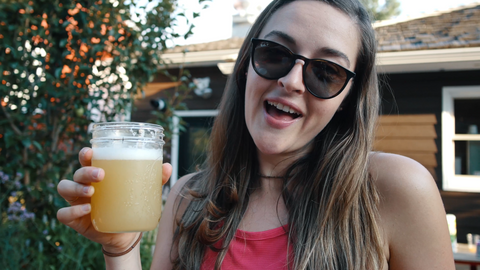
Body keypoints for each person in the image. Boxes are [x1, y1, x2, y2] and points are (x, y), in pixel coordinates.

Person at [57, 0, 456, 269]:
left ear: (347, 100)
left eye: (326, 72)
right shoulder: (188, 199)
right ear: (247, 64)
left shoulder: (395, 190)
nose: (292, 81)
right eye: (275, 54)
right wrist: (119, 246)